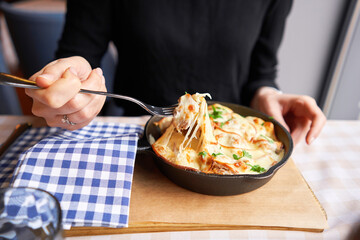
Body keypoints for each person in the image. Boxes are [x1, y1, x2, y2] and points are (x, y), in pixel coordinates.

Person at [25, 0, 326, 146]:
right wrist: (72, 89)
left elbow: (262, 72)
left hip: (235, 137)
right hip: (137, 137)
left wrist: (268, 96)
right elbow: (80, 55)